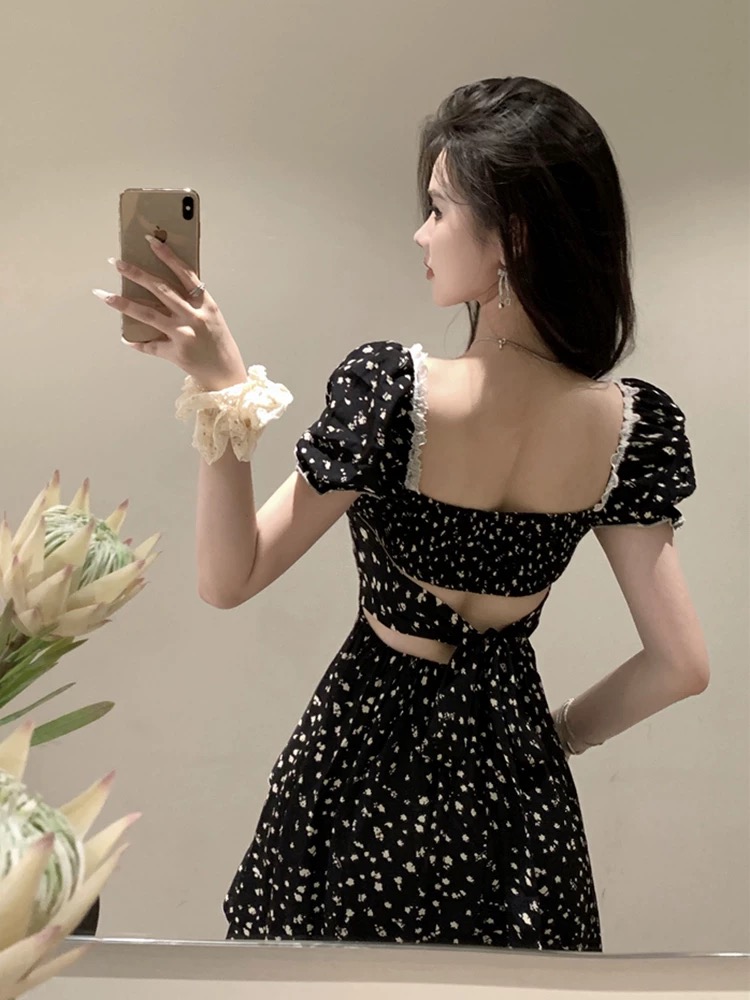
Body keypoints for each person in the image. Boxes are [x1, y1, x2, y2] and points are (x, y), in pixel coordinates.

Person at [94, 76, 709, 951]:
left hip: (358, 782)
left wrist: (222, 387)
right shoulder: (631, 428)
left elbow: (229, 577)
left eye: (438, 208)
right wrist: (555, 735)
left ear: (513, 234)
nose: (421, 233)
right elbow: (681, 665)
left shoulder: (394, 394)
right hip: (515, 811)